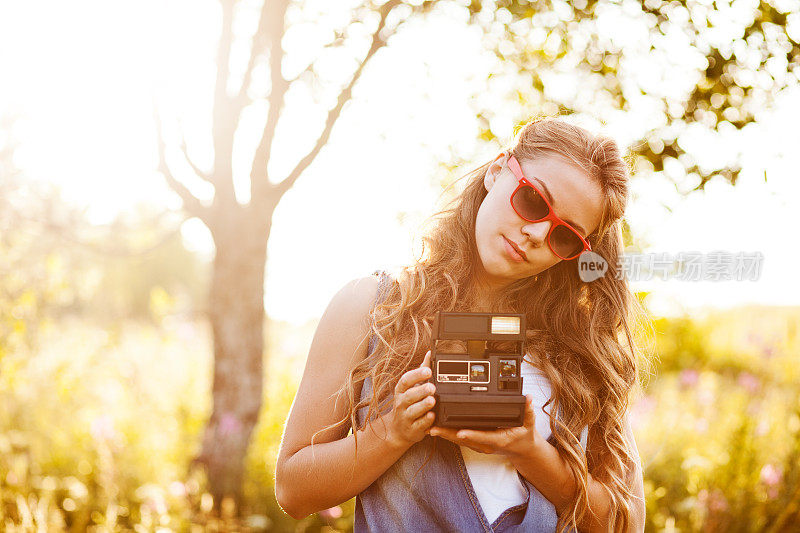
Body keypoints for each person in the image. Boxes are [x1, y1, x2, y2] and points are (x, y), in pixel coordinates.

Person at [275, 116, 647, 532]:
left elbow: (625, 524)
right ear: (497, 171)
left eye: (565, 237)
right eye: (533, 201)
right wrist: (393, 432)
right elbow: (292, 490)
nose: (537, 233)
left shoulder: (580, 348)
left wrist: (531, 453)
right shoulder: (372, 306)